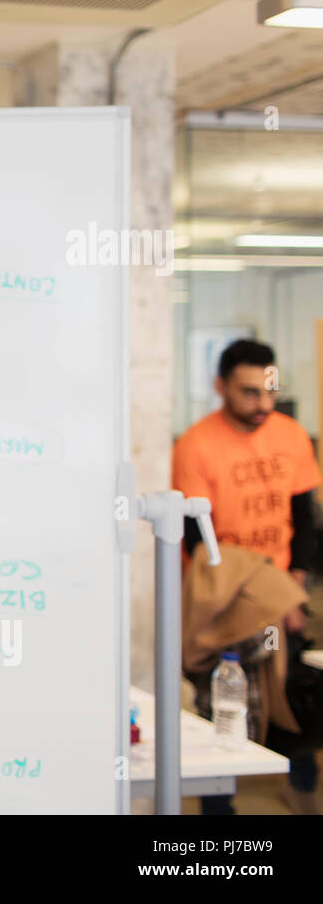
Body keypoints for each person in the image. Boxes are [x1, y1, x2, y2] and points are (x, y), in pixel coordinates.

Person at [171, 338, 322, 814]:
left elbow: (304, 520)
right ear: (220, 387)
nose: (263, 404)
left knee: (291, 698)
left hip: (281, 604)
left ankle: (302, 795)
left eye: (270, 392)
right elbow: (198, 542)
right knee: (226, 710)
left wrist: (292, 592)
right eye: (250, 392)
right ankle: (221, 815)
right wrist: (250, 604)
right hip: (225, 606)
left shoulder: (291, 436)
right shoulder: (197, 445)